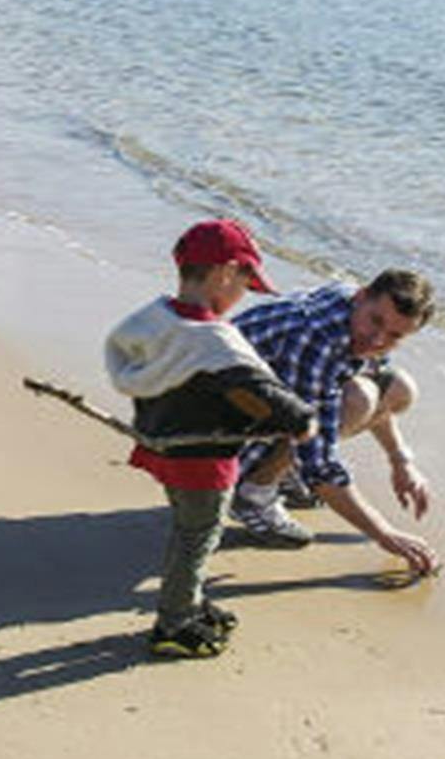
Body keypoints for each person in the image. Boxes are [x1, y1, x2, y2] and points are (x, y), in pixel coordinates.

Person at [104, 220, 316, 659]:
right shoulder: (211, 339)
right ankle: (175, 623)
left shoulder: (155, 319)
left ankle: (189, 601)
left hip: (162, 442)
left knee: (188, 527)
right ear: (225, 272)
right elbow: (266, 393)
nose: (243, 294)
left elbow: (126, 354)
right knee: (199, 535)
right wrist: (303, 420)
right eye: (245, 281)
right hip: (204, 458)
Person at [228, 269, 441, 579]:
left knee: (398, 388)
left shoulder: (353, 315)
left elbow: (379, 377)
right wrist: (384, 534)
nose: (379, 339)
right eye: (377, 321)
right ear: (362, 296)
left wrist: (400, 461)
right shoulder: (317, 340)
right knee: (359, 400)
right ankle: (252, 493)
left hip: (260, 406)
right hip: (215, 432)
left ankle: (279, 469)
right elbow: (320, 466)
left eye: (395, 336)